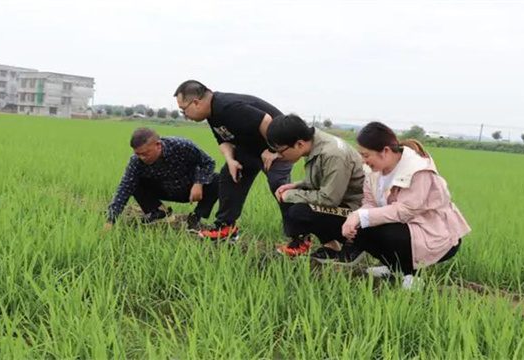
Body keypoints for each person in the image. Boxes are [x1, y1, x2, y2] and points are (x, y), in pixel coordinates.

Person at [341, 122, 471, 289]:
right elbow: (370, 202)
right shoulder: (373, 172)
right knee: (359, 229)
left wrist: (359, 216)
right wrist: (356, 217)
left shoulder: (418, 170)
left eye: (366, 155)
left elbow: (405, 211)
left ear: (385, 151)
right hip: (406, 230)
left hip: (435, 234)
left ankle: (414, 275)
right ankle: (393, 268)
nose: (363, 161)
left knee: (388, 232)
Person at [174, 80, 292, 241]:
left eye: (183, 110)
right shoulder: (211, 114)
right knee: (230, 176)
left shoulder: (227, 107)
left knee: (280, 185)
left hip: (280, 144)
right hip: (250, 147)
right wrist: (230, 160)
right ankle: (226, 228)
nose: (185, 116)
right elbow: (223, 140)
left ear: (196, 103)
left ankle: (300, 237)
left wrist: (273, 149)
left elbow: (266, 120)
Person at [267, 114, 366, 264]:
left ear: (299, 144)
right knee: (291, 198)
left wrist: (292, 195)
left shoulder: (332, 154)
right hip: (342, 200)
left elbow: (330, 198)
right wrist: (297, 185)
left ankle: (355, 244)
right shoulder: (315, 144)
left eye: (281, 151)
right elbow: (323, 179)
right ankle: (332, 247)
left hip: (356, 209)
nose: (279, 156)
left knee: (299, 210)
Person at [104, 127, 219, 231]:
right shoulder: (136, 161)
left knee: (217, 180)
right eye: (138, 154)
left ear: (158, 145)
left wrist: (198, 183)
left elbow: (208, 162)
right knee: (133, 182)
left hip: (190, 190)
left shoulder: (182, 145)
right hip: (164, 189)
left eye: (145, 153)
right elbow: (124, 187)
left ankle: (195, 217)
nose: (141, 158)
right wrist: (111, 220)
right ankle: (159, 212)